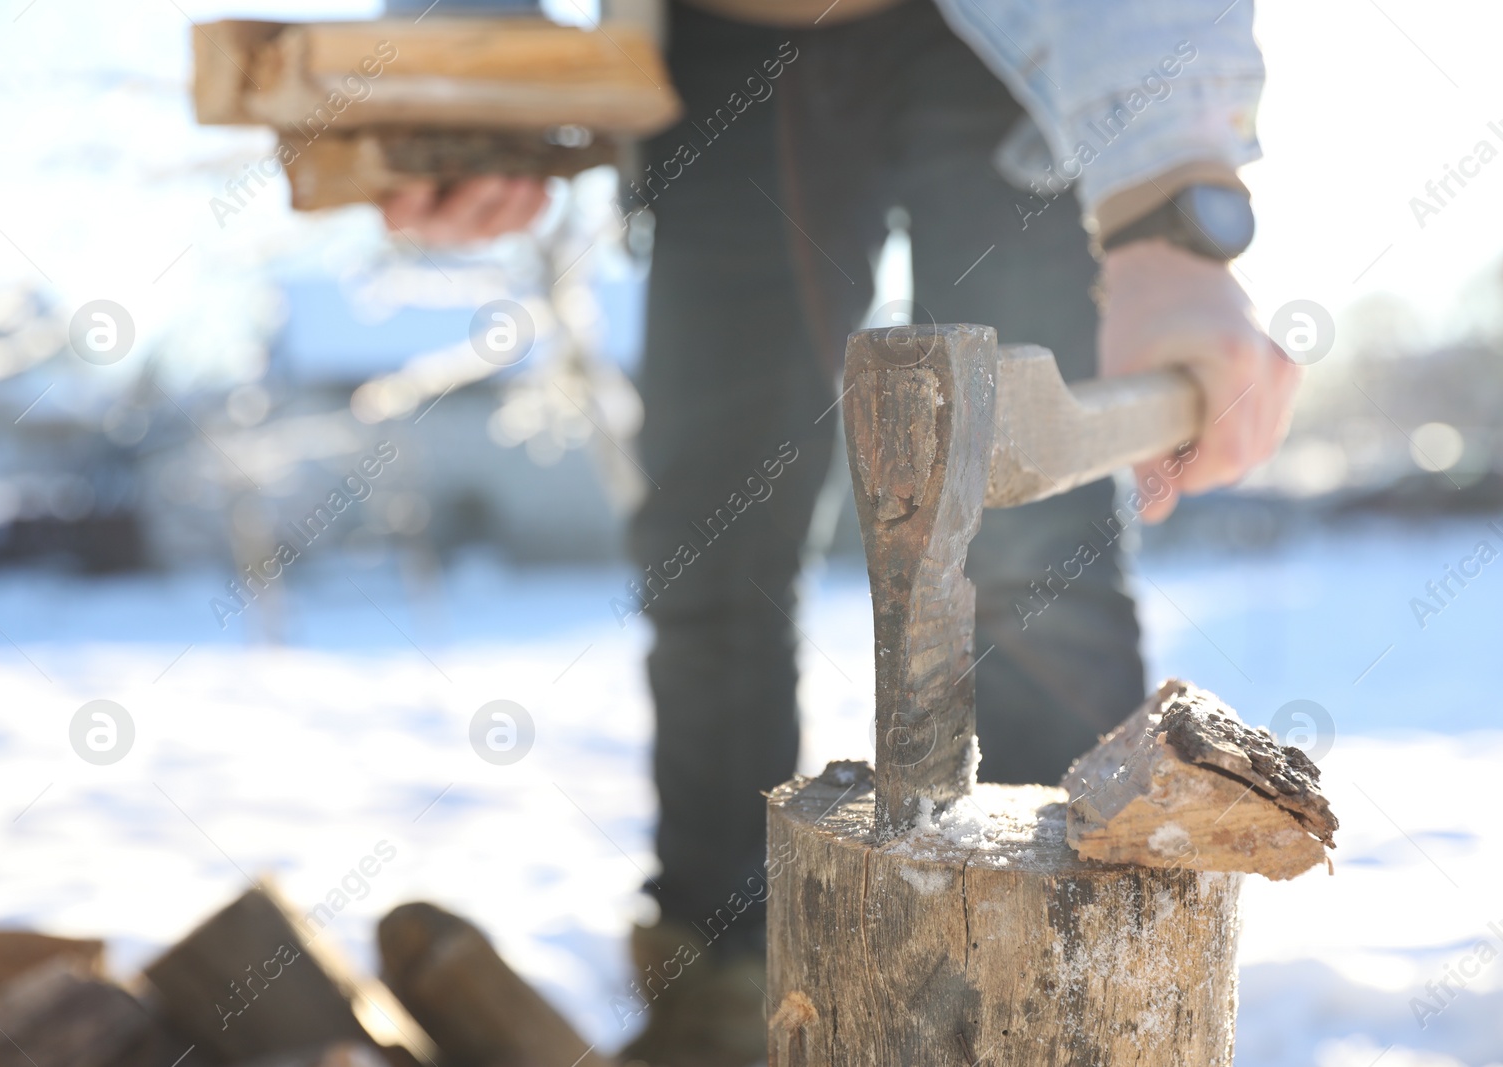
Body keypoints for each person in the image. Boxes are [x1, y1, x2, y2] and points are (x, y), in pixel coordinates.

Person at [382, 1, 1299, 1063]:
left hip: (1010, 46)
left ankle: (1076, 982)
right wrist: (471, 47)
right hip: (726, 42)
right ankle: (726, 989)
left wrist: (1168, 213)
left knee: (1038, 553)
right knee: (712, 557)